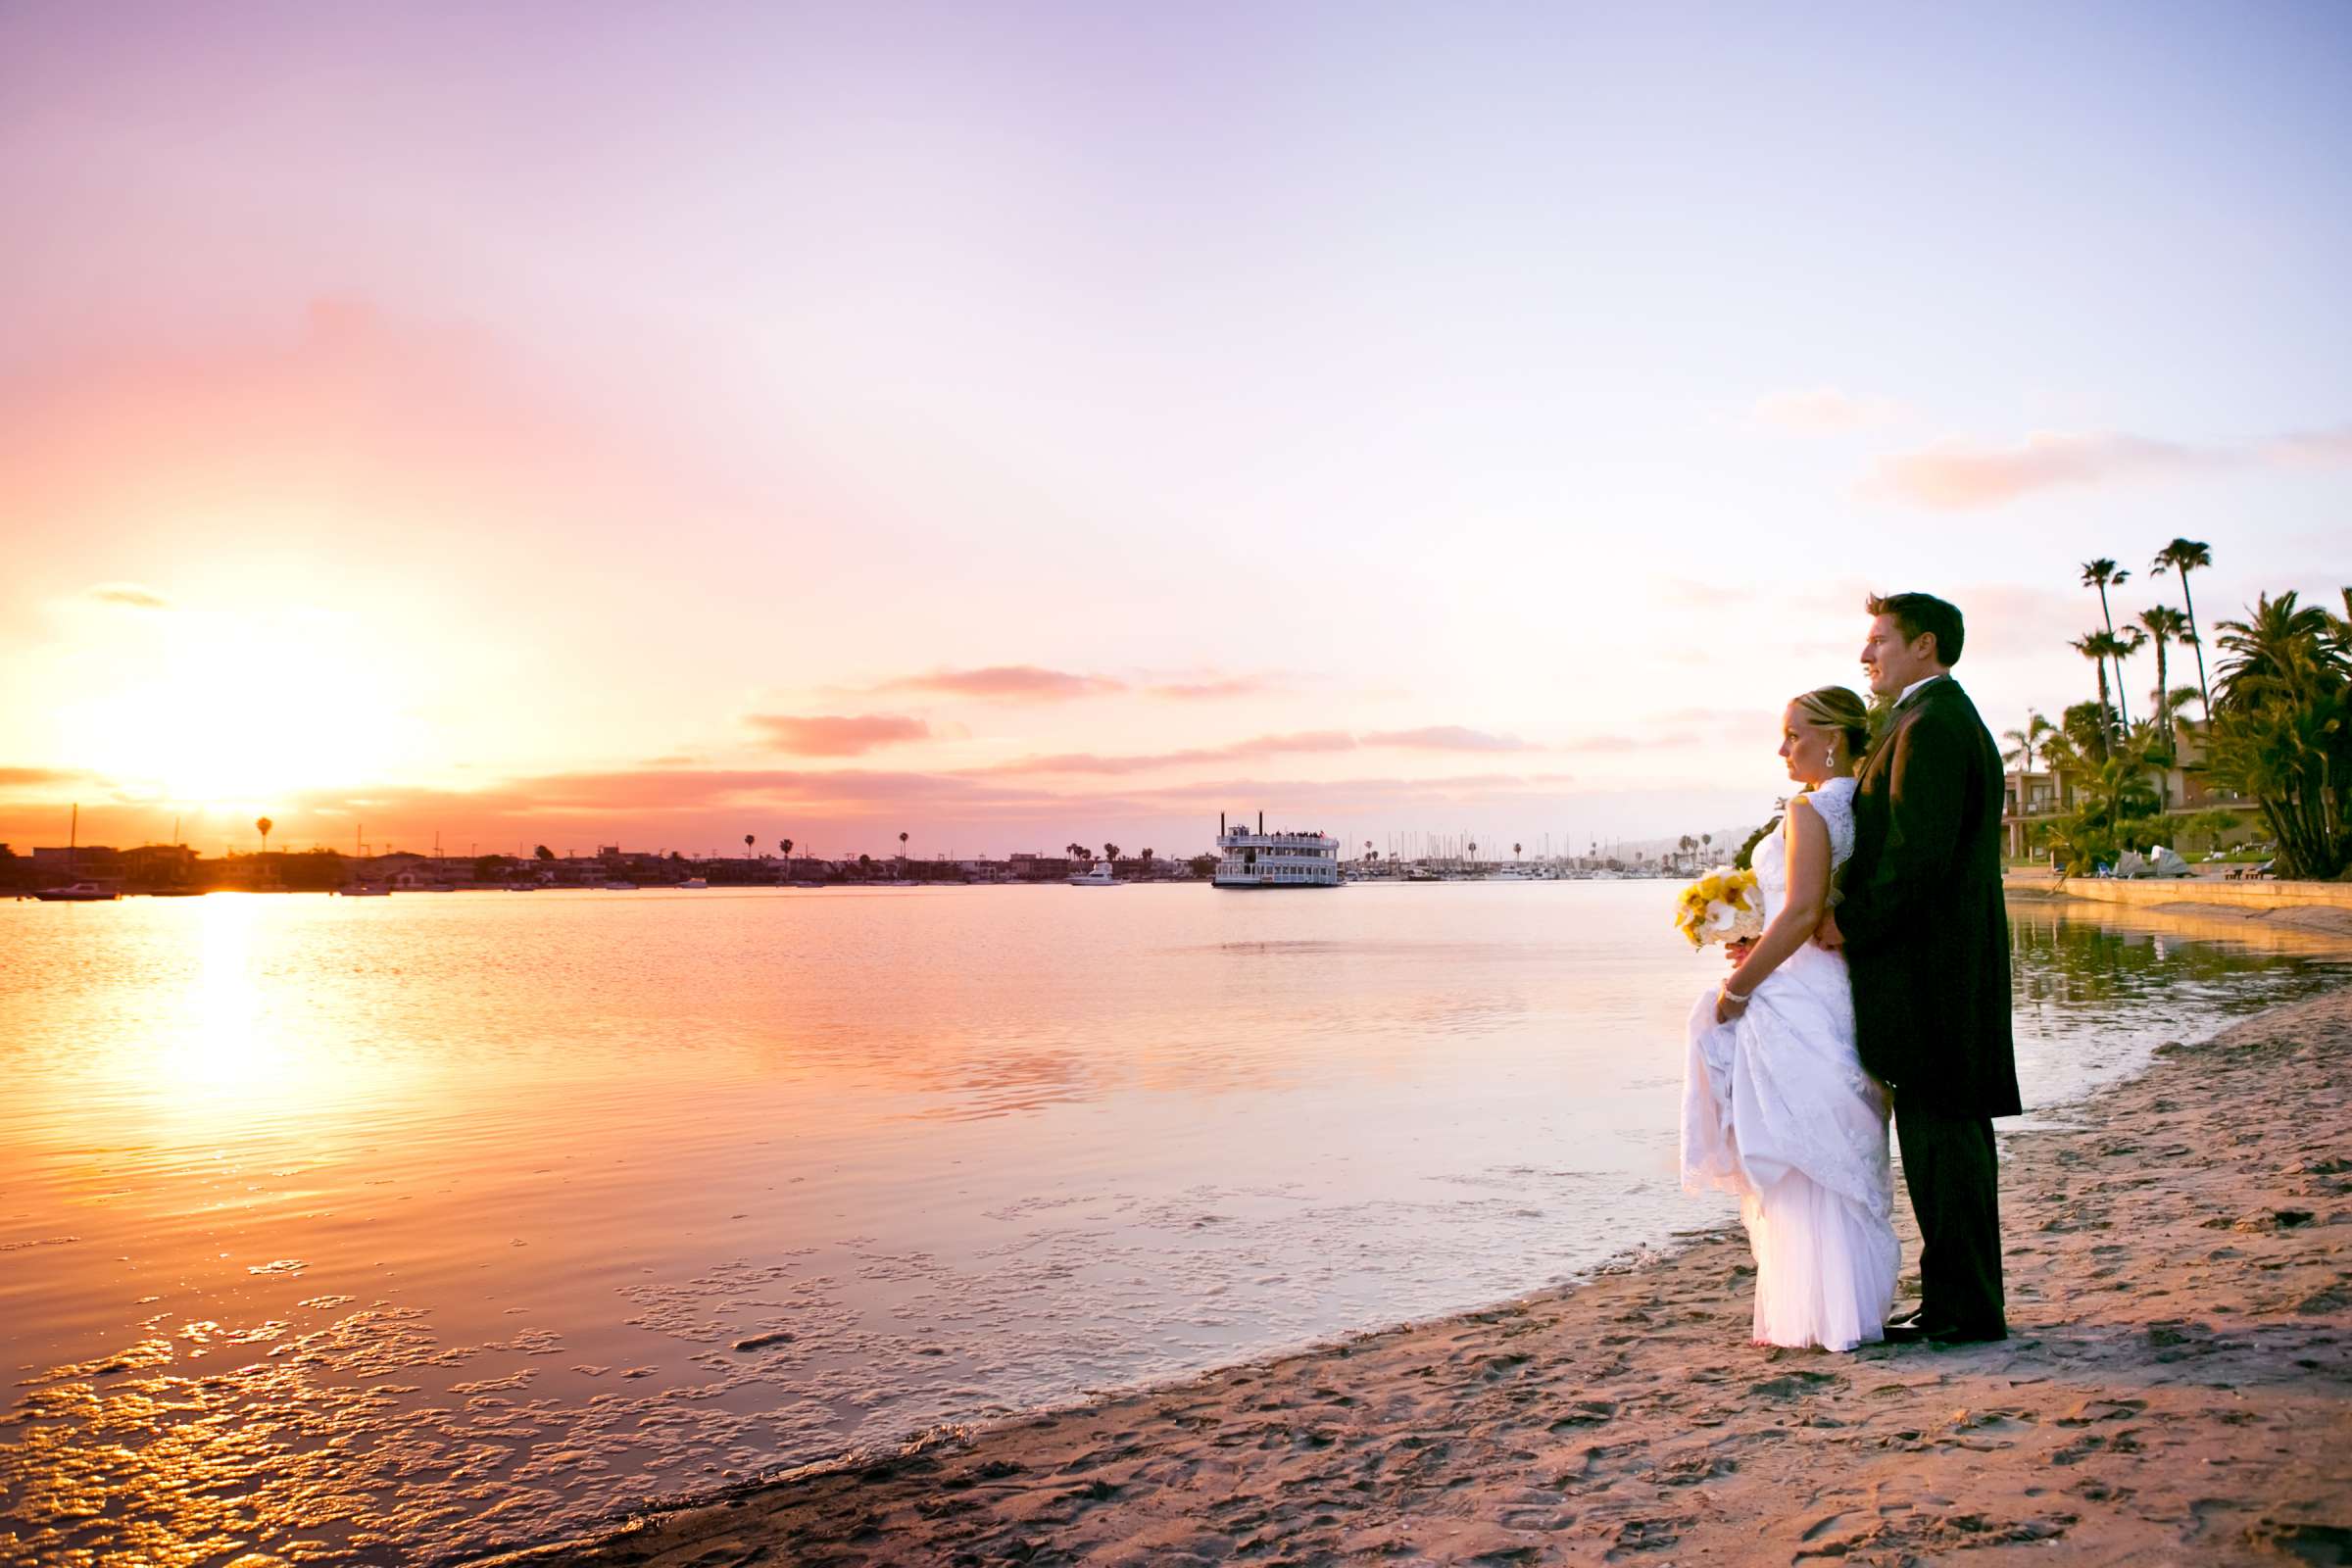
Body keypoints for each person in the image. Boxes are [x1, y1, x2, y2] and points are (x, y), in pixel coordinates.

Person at [1816, 592, 2022, 1346]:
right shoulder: (1925, 718)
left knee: (1946, 1143)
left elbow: (1913, 856)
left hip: (1935, 975)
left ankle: (1965, 1309)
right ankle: (1959, 1301)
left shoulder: (1932, 725)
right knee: (1944, 1142)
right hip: (1940, 970)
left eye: (1878, 641)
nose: (1865, 656)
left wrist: (1847, 923)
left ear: (1924, 645)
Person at [1682, 685, 1897, 1351]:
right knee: (1830, 1145)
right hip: (1839, 988)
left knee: (1803, 1151)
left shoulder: (1808, 809)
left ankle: (1817, 1315)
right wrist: (1753, 931)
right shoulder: (1867, 808)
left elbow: (1802, 912)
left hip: (1800, 994)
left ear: (1831, 738)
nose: (1784, 748)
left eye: (1794, 734)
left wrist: (1740, 988)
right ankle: (1844, 1310)